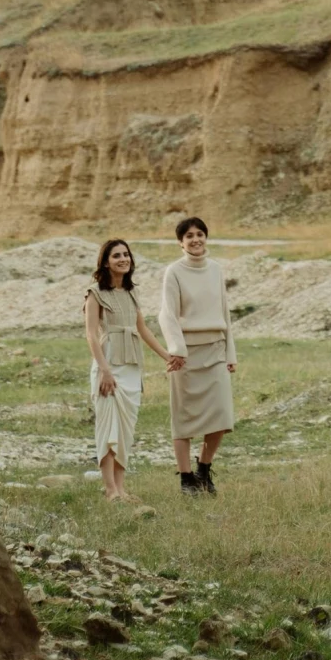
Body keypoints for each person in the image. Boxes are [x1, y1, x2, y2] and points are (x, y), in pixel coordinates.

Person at [83, 237, 170, 501]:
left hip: (132, 366)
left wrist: (167, 355)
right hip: (109, 365)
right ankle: (110, 490)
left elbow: (143, 329)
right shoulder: (95, 293)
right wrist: (104, 370)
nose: (123, 259)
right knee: (108, 428)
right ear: (106, 262)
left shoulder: (132, 293)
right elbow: (90, 335)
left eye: (126, 255)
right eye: (116, 256)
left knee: (125, 431)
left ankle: (122, 488)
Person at [158, 214, 236, 497]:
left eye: (199, 234)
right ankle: (186, 479)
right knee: (184, 417)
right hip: (186, 354)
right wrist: (177, 350)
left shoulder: (215, 269)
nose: (195, 240)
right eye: (189, 236)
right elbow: (167, 314)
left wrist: (230, 352)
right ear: (181, 242)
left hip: (215, 349)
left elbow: (225, 312)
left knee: (221, 416)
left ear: (206, 237)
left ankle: (204, 468)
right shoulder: (174, 272)